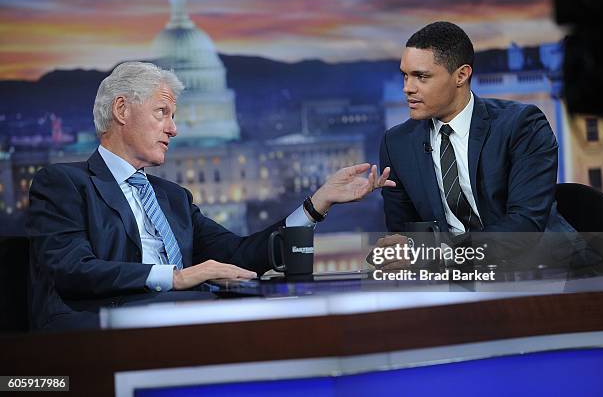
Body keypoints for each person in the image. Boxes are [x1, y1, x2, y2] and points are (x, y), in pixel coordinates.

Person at [27, 61, 395, 331]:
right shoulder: (64, 182)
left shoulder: (173, 199)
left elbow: (242, 256)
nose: (174, 128)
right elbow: (72, 270)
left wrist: (317, 205)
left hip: (189, 315)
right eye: (162, 113)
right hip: (108, 326)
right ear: (121, 110)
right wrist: (176, 277)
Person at [380, 21, 573, 235]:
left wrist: (448, 253)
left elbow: (524, 227)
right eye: (405, 76)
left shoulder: (521, 125)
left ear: (461, 76)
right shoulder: (396, 143)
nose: (407, 88)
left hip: (545, 263)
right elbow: (404, 234)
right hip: (451, 267)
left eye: (421, 76)